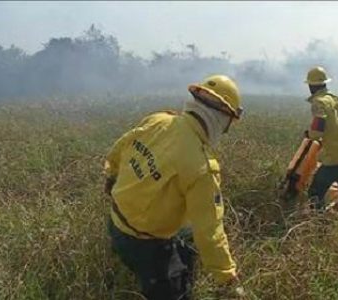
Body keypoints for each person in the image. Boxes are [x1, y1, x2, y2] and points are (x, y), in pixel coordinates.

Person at [104, 75, 244, 300]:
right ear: (223, 117)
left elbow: (122, 144)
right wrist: (227, 278)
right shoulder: (202, 167)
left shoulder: (159, 120)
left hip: (115, 222)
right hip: (143, 244)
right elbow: (209, 232)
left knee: (186, 237)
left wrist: (110, 174)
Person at [304, 66, 338, 212]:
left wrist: (309, 134)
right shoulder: (335, 98)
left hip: (336, 156)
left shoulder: (319, 102)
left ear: (311, 85)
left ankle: (319, 223)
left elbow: (317, 129)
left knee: (315, 192)